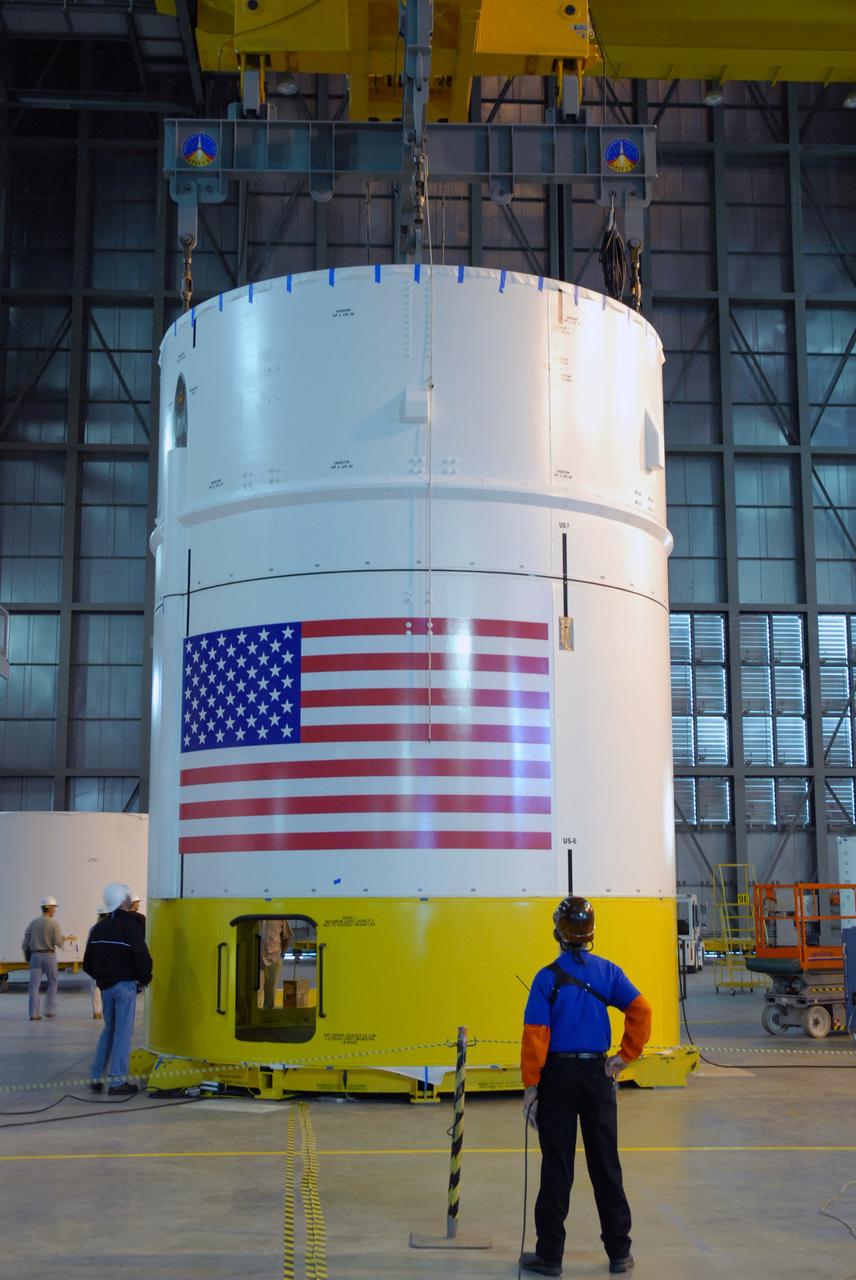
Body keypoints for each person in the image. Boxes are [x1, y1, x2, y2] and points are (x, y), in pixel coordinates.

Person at [519, 896, 652, 1277]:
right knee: (606, 1164)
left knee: (557, 1167)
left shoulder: (546, 978)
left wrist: (531, 1087)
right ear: (591, 933)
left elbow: (535, 1036)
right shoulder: (608, 972)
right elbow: (642, 1010)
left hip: (558, 1078)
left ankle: (550, 1257)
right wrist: (625, 1056)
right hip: (597, 1075)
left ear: (557, 933)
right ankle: (619, 1253)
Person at [83, 882, 153, 1096]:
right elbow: (141, 956)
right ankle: (117, 1082)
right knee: (123, 1033)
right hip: (125, 987)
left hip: (106, 988)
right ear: (124, 901)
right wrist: (144, 979)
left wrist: (103, 979)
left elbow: (87, 963)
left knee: (109, 1031)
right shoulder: (131, 926)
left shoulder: (98, 928)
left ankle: (96, 1077)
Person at [22, 896, 72, 1021]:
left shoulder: (33, 923)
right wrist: (63, 939)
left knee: (34, 986)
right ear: (48, 908)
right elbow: (58, 943)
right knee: (53, 983)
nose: (55, 910)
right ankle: (49, 1010)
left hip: (35, 956)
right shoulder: (54, 924)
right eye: (54, 907)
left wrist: (28, 957)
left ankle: (34, 1014)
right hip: (49, 956)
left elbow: (25, 944)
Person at [260, 918, 293, 1009]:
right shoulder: (258, 918)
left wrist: (282, 953)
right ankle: (256, 1012)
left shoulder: (280, 918)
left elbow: (287, 936)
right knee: (256, 987)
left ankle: (268, 1012)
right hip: (258, 957)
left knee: (270, 989)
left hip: (274, 957)